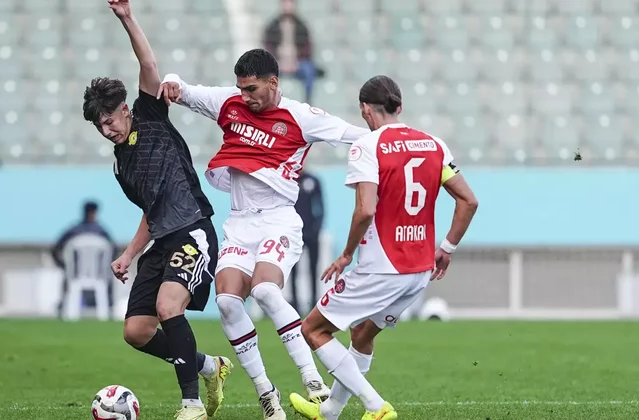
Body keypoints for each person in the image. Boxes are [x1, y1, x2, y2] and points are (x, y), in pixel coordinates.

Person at [158, 48, 370, 420]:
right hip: (239, 223)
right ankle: (266, 393)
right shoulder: (228, 102)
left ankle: (312, 379)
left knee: (266, 291)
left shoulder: (301, 116)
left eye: (252, 89)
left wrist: (399, 142)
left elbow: (353, 135)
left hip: (278, 220)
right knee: (227, 302)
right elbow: (183, 90)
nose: (245, 96)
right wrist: (171, 80)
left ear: (273, 82)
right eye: (241, 88)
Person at [287, 75, 479, 420]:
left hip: (381, 267)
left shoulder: (367, 146)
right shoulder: (435, 145)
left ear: (365, 109)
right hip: (419, 270)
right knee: (362, 335)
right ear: (399, 107)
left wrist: (346, 254)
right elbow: (468, 201)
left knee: (312, 329)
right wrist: (447, 247)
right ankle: (330, 411)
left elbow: (365, 209)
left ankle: (376, 406)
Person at [81, 2, 233, 419]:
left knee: (169, 308)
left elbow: (148, 63)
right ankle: (209, 367)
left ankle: (191, 405)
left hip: (193, 230)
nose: (107, 130)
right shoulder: (121, 166)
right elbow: (151, 212)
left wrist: (126, 18)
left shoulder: (149, 113)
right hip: (162, 240)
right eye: (100, 126)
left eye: (110, 120)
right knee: (136, 331)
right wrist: (129, 254)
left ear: (125, 109)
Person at [52, 200, 116, 318]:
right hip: (99, 275)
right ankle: (109, 305)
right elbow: (113, 251)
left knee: (68, 275)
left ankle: (63, 305)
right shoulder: (101, 231)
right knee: (109, 273)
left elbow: (56, 249)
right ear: (95, 212)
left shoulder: (73, 230)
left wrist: (64, 265)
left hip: (75, 274)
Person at [262, 0, 321, 104]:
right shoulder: (272, 25)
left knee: (309, 70)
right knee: (265, 72)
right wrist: (277, 61)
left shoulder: (302, 25)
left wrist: (296, 61)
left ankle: (308, 102)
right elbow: (268, 47)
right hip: (278, 61)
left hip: (298, 61)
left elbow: (307, 47)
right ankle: (268, 102)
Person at [288, 169, 325, 313]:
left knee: (313, 269)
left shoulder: (313, 180)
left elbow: (320, 206)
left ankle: (314, 302)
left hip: (311, 233)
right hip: (294, 234)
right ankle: (295, 304)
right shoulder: (288, 181)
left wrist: (317, 228)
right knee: (293, 270)